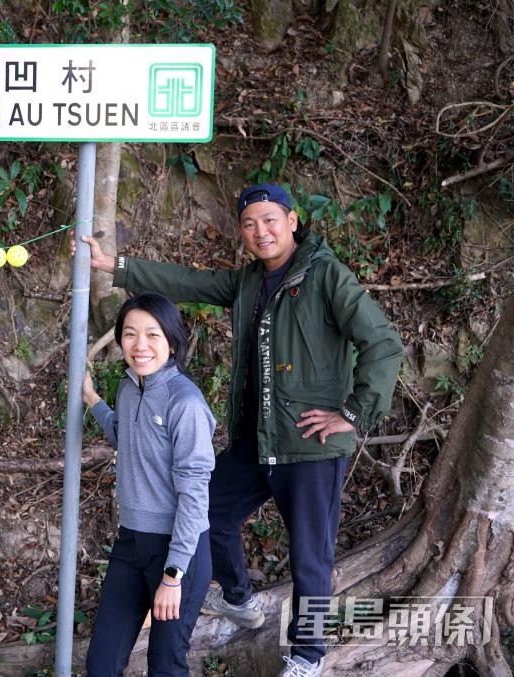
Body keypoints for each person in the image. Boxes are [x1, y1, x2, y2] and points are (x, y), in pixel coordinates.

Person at [74, 183, 404, 677]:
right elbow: (191, 282)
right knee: (208, 510)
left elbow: (383, 344)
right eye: (249, 223)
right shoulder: (250, 281)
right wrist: (116, 267)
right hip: (259, 442)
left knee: (311, 557)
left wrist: (353, 414)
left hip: (310, 446)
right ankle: (239, 598)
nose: (260, 231)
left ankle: (308, 657)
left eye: (270, 220)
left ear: (292, 221)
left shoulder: (326, 276)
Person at [81, 293, 215, 677]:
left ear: (171, 342)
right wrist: (91, 399)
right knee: (102, 663)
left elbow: (194, 495)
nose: (140, 345)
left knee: (165, 666)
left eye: (152, 334)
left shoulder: (184, 403)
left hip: (178, 553)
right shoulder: (129, 387)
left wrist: (173, 576)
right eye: (130, 334)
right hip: (131, 543)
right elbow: (125, 434)